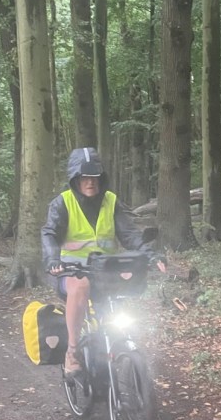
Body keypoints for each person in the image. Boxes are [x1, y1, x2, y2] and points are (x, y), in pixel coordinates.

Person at [42, 147, 163, 377]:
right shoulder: (63, 203)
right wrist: (52, 259)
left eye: (95, 177)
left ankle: (117, 350)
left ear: (101, 178)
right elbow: (49, 233)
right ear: (75, 179)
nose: (90, 182)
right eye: (85, 177)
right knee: (81, 285)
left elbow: (130, 235)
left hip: (105, 272)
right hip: (70, 271)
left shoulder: (111, 201)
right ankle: (72, 351)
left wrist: (150, 254)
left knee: (119, 306)